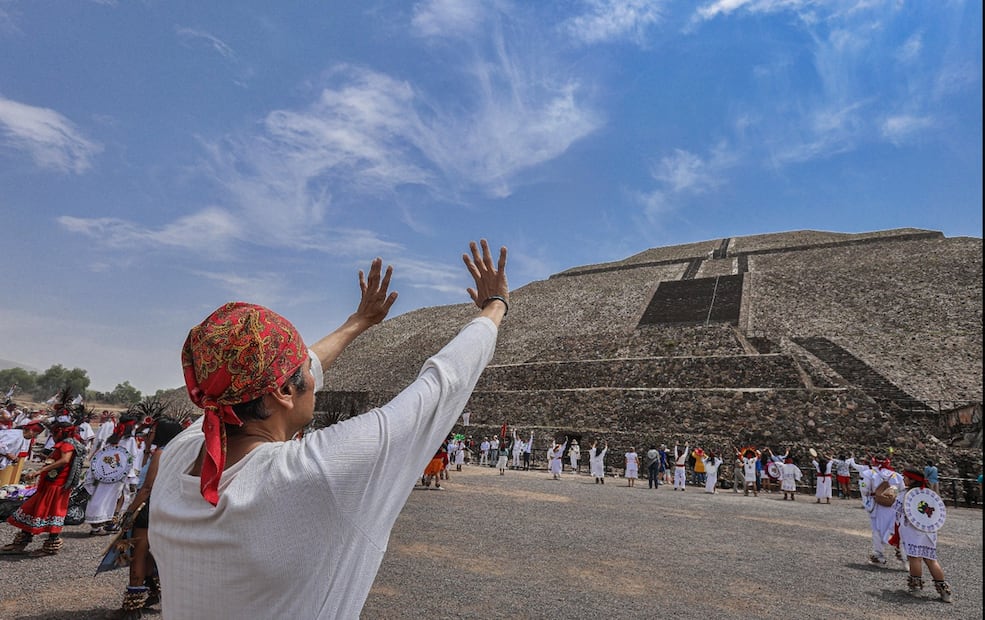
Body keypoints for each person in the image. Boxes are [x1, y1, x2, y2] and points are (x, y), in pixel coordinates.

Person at [149, 240, 508, 619]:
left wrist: (359, 322)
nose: (313, 375)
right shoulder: (315, 474)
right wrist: (496, 305)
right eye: (301, 369)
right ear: (285, 392)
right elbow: (441, 385)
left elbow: (295, 371)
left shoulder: (178, 456)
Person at [108, 418, 185, 618]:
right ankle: (153, 592)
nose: (149, 434)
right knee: (153, 553)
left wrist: (129, 512)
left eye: (152, 431)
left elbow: (147, 488)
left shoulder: (160, 454)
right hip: (166, 508)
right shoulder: (179, 453)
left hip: (148, 508)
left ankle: (132, 608)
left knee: (139, 555)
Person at [2, 415, 86, 556]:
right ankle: (21, 542)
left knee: (52, 513)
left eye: (53, 433)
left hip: (57, 486)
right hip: (51, 484)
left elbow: (64, 460)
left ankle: (50, 546)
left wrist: (39, 471)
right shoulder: (69, 443)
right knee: (34, 510)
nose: (52, 437)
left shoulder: (67, 444)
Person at [894, 469, 952, 602]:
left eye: (906, 477)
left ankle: (916, 587)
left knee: (915, 558)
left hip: (913, 530)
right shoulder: (929, 493)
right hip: (929, 530)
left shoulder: (905, 494)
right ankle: (944, 591)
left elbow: (896, 511)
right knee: (931, 559)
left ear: (912, 480)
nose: (903, 479)